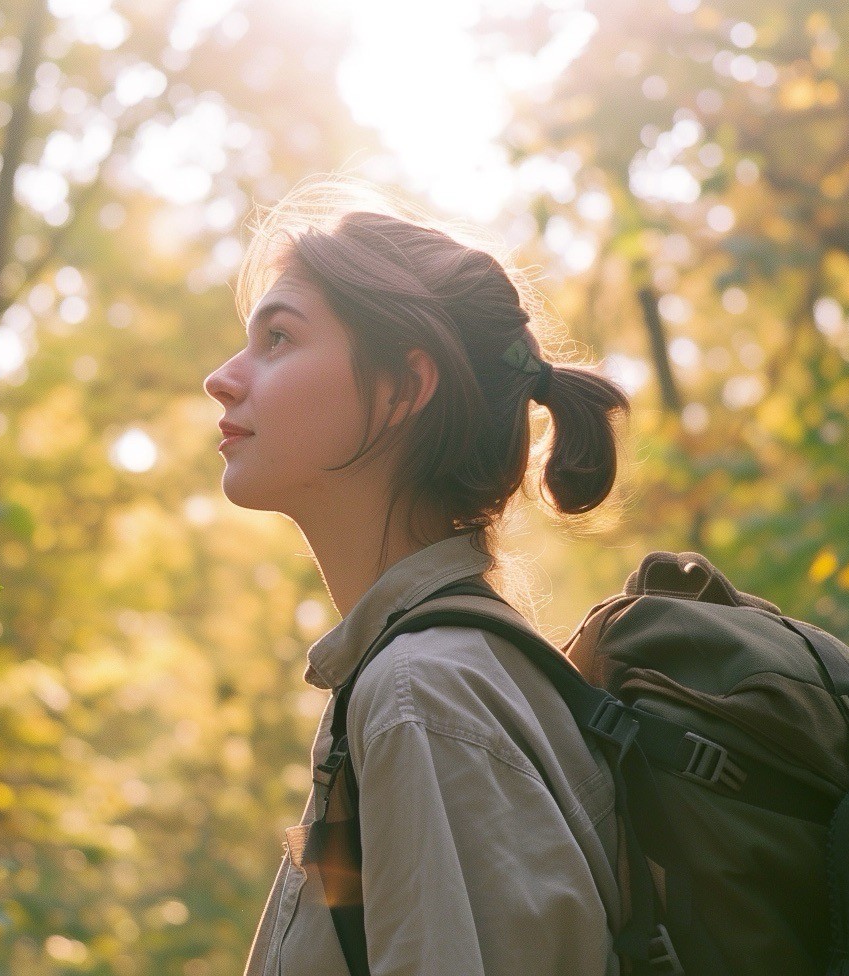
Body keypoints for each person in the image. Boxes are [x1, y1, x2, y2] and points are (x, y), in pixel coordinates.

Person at [202, 175, 633, 976]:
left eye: (280, 339)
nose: (222, 377)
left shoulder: (419, 693)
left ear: (403, 387)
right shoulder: (425, 678)